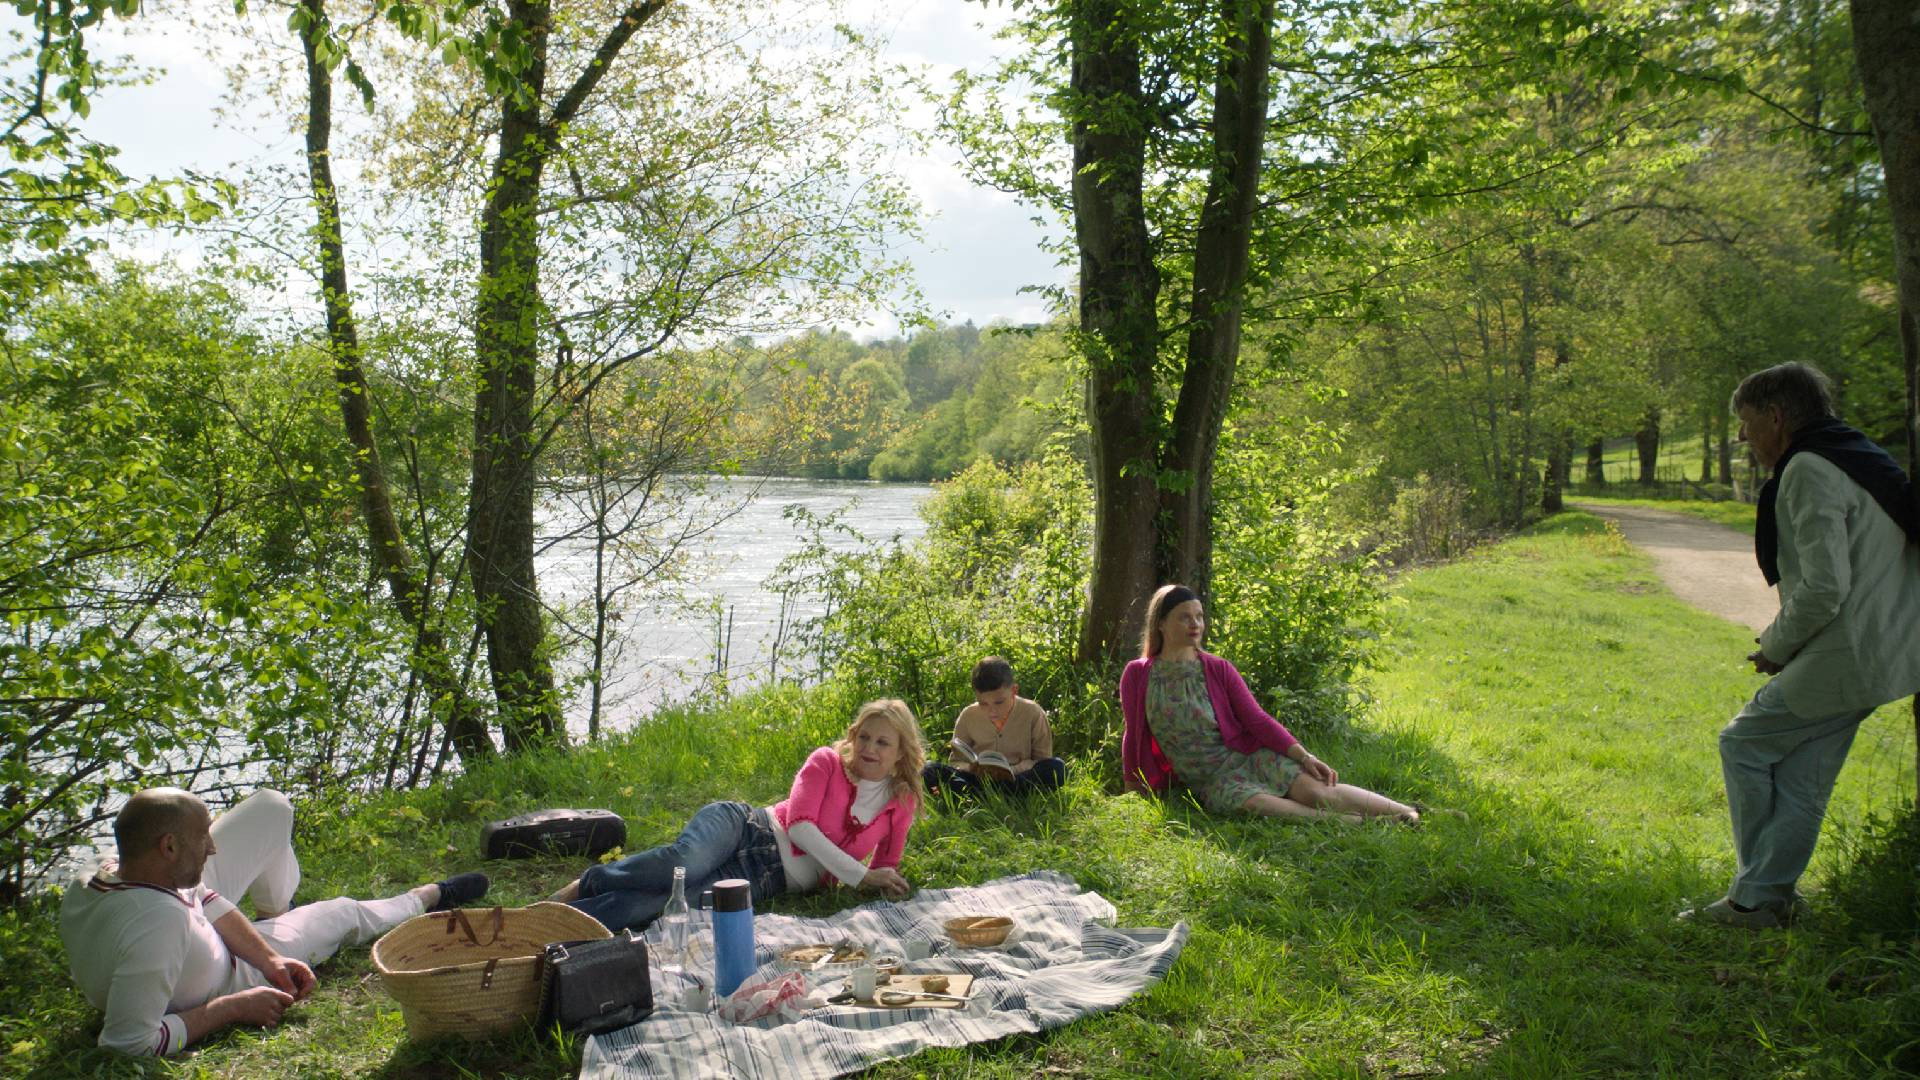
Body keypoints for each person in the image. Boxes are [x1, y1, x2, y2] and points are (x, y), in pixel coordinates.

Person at [1680, 362, 1920, 930]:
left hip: (1848, 651)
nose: (1743, 437)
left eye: (1746, 422)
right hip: (1885, 649)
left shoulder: (1810, 468)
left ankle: (1756, 897)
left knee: (1742, 743)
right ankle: (1766, 897)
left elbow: (1824, 588)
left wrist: (1776, 646)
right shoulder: (1854, 454)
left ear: (1776, 416)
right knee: (1803, 777)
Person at [60, 787, 489, 1056]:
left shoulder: (107, 869)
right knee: (344, 912)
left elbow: (204, 896)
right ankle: (426, 897)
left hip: (188, 936)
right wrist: (233, 1006)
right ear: (169, 846)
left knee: (271, 807)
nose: (212, 847)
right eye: (202, 837)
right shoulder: (158, 924)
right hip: (227, 974)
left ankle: (278, 916)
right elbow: (127, 1045)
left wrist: (270, 959)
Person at [552, 699, 925, 931]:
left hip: (763, 879)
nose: (869, 748)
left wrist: (883, 883)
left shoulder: (900, 802)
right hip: (745, 829)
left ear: (900, 753)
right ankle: (590, 883)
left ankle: (552, 927)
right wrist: (861, 875)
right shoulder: (825, 762)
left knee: (655, 906)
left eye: (882, 742)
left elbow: (885, 869)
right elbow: (799, 827)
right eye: (864, 737)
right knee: (682, 864)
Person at [1120, 584, 1425, 823]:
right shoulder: (1138, 674)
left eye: (1199, 616)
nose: (1195, 624)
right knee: (1258, 805)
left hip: (1248, 757)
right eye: (1185, 617)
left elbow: (1257, 719)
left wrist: (1305, 757)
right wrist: (1133, 789)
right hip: (1210, 779)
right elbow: (1133, 735)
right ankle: (1357, 823)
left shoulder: (1218, 668)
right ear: (1161, 623)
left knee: (1318, 793)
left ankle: (1411, 812)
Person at [922, 656, 1068, 798]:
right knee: (929, 770)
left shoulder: (1032, 712)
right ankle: (1001, 796)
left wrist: (1012, 770)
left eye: (999, 702)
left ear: (1014, 691)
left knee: (1057, 768)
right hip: (978, 780)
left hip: (1018, 779)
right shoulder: (968, 715)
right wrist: (972, 768)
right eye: (983, 704)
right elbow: (955, 762)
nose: (992, 711)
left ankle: (981, 797)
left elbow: (1042, 761)